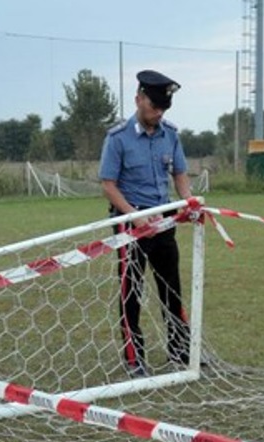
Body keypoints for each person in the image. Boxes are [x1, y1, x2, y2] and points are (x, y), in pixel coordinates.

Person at [99, 69, 193, 378]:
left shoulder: (170, 134)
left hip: (164, 221)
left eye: (163, 108)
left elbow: (179, 173)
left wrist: (187, 201)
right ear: (139, 99)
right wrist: (134, 215)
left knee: (171, 288)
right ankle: (134, 358)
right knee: (131, 292)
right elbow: (108, 184)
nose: (158, 113)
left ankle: (180, 351)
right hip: (130, 224)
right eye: (154, 107)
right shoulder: (117, 138)